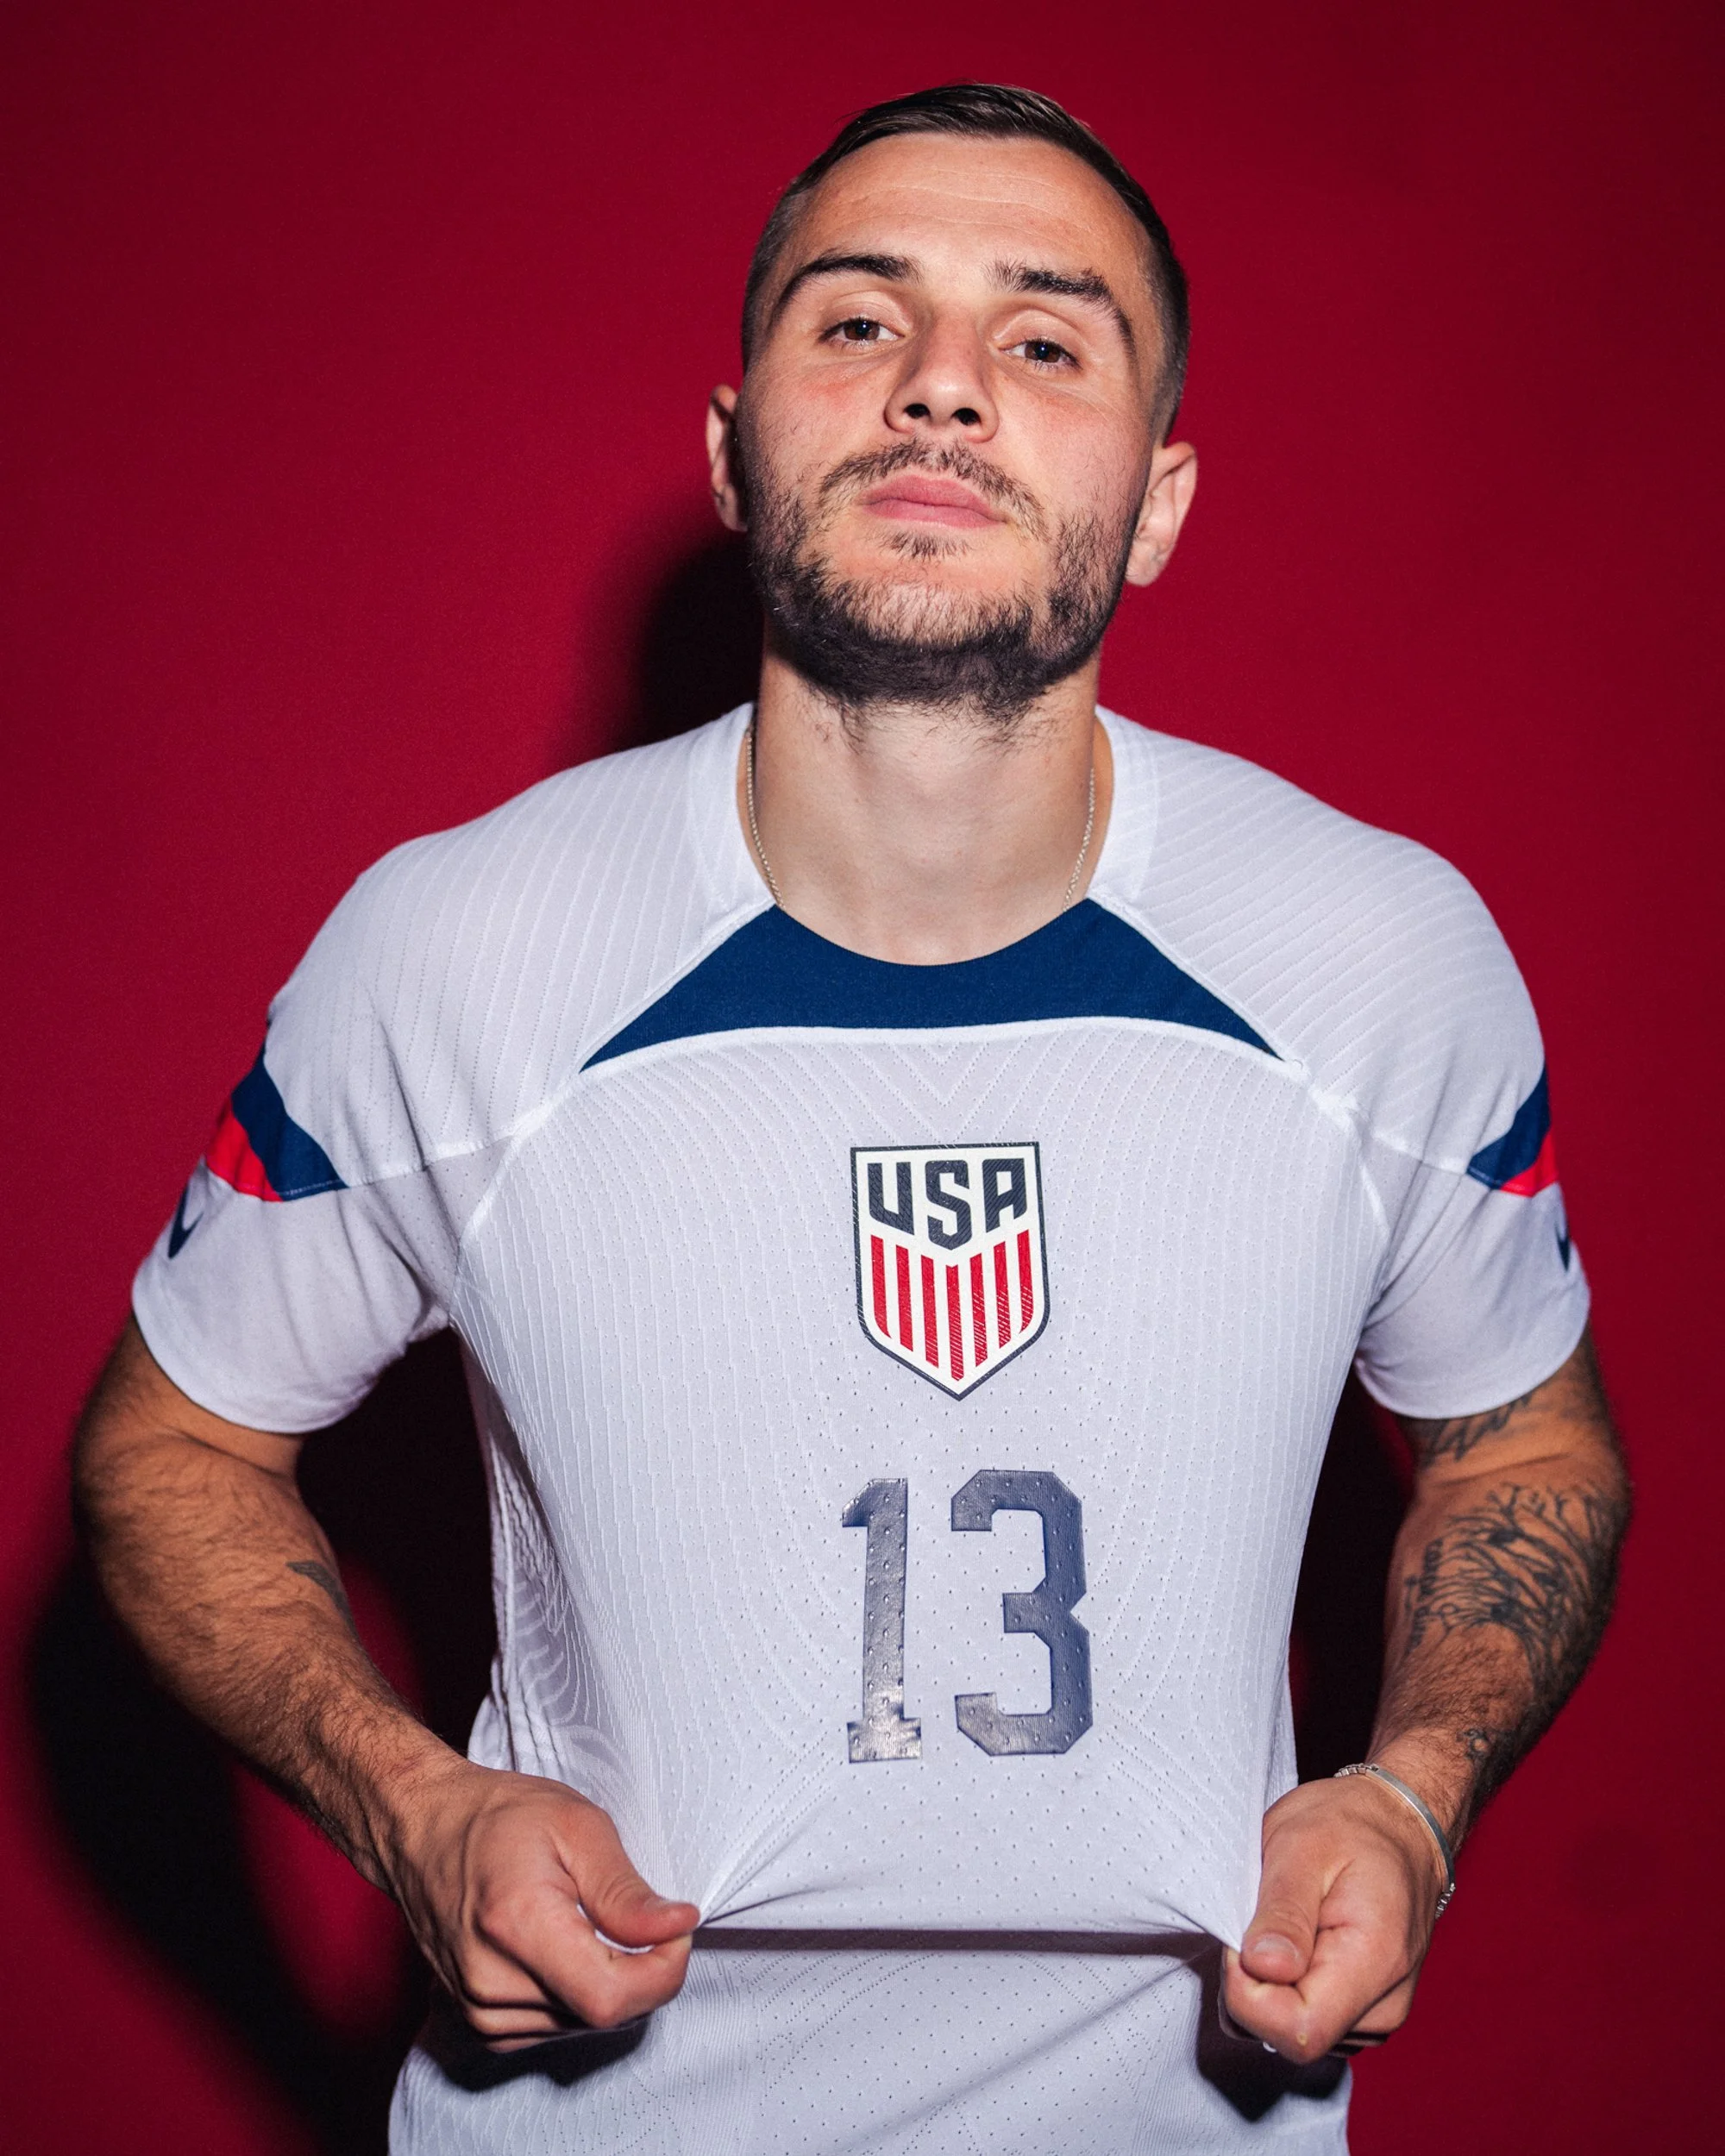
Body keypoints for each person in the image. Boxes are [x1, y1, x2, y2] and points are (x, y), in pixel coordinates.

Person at [75, 82, 1628, 2154]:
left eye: (1044, 339)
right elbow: (171, 1440)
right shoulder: (454, 950)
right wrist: (412, 1804)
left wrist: (1412, 1793)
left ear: (1158, 502)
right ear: (736, 448)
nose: (942, 393)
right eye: (855, 322)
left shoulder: (1379, 955)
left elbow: (1525, 1441)